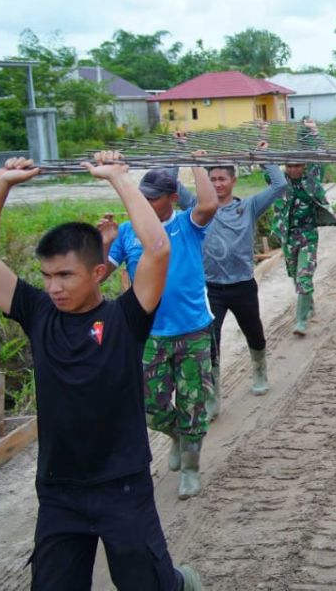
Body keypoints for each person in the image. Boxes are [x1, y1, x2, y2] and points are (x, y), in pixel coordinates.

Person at [0, 154, 201, 590]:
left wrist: (119, 178)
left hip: (122, 485)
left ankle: (178, 583)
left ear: (98, 272)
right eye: (47, 275)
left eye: (66, 275)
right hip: (59, 487)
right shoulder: (38, 314)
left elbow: (158, 249)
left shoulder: (126, 319)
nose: (54, 287)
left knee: (146, 584)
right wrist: (1, 185)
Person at [104, 163, 217, 501]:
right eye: (142, 197)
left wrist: (196, 163)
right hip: (149, 334)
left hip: (192, 329)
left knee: (194, 402)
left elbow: (208, 205)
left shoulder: (186, 224)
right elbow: (96, 275)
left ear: (171, 198)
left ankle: (191, 467)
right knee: (150, 405)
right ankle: (178, 436)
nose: (146, 203)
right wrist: (104, 241)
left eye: (153, 198)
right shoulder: (127, 232)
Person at [201, 147, 287, 413]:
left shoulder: (247, 207)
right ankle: (213, 394)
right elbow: (172, 187)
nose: (217, 184)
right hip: (213, 289)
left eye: (222, 179)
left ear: (232, 180)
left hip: (243, 285)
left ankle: (260, 371)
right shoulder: (200, 209)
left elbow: (280, 184)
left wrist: (265, 157)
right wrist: (186, 154)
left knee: (254, 331)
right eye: (212, 179)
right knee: (210, 340)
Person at [272, 120, 336, 334]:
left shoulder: (312, 179)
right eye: (290, 165)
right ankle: (308, 303)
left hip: (308, 235)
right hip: (288, 237)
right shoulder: (280, 183)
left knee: (304, 275)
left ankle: (300, 321)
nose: (294, 169)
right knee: (294, 275)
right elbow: (267, 167)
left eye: (298, 165)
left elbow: (321, 155)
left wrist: (315, 133)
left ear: (304, 166)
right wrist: (262, 144)